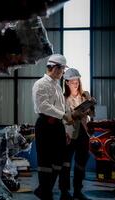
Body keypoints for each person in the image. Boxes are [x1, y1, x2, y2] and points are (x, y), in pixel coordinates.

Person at [32, 54, 81, 200]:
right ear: (53, 67)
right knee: (45, 162)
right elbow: (43, 106)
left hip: (58, 125)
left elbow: (63, 109)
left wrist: (65, 128)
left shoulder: (57, 86)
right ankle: (45, 193)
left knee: (59, 160)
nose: (63, 73)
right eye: (62, 70)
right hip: (46, 125)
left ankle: (43, 189)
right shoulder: (40, 84)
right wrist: (64, 116)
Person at [59, 68, 94, 200]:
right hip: (68, 134)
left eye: (77, 82)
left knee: (80, 164)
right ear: (67, 83)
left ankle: (78, 191)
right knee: (66, 164)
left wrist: (90, 104)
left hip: (83, 134)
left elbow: (91, 115)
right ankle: (64, 192)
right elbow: (62, 118)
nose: (76, 84)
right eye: (73, 82)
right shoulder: (62, 99)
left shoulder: (84, 96)